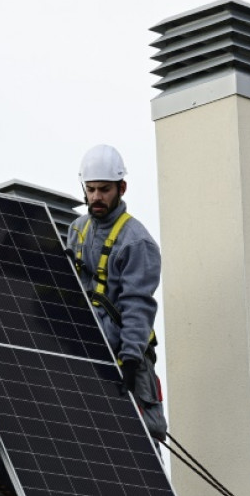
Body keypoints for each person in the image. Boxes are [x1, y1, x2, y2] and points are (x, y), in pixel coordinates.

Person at [66, 144, 169, 443]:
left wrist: (130, 360)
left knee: (140, 441)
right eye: (91, 189)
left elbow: (138, 306)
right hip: (85, 349)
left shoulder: (137, 242)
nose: (96, 197)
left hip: (124, 357)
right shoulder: (77, 229)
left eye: (105, 189)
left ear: (122, 187)